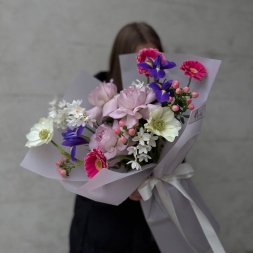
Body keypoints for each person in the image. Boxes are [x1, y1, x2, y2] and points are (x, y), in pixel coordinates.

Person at [69, 22, 163, 253]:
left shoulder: (165, 101)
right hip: (102, 224)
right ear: (121, 59)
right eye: (140, 62)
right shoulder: (96, 95)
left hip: (148, 225)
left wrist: (155, 176)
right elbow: (82, 161)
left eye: (153, 61)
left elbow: (176, 157)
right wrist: (122, 183)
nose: (146, 69)